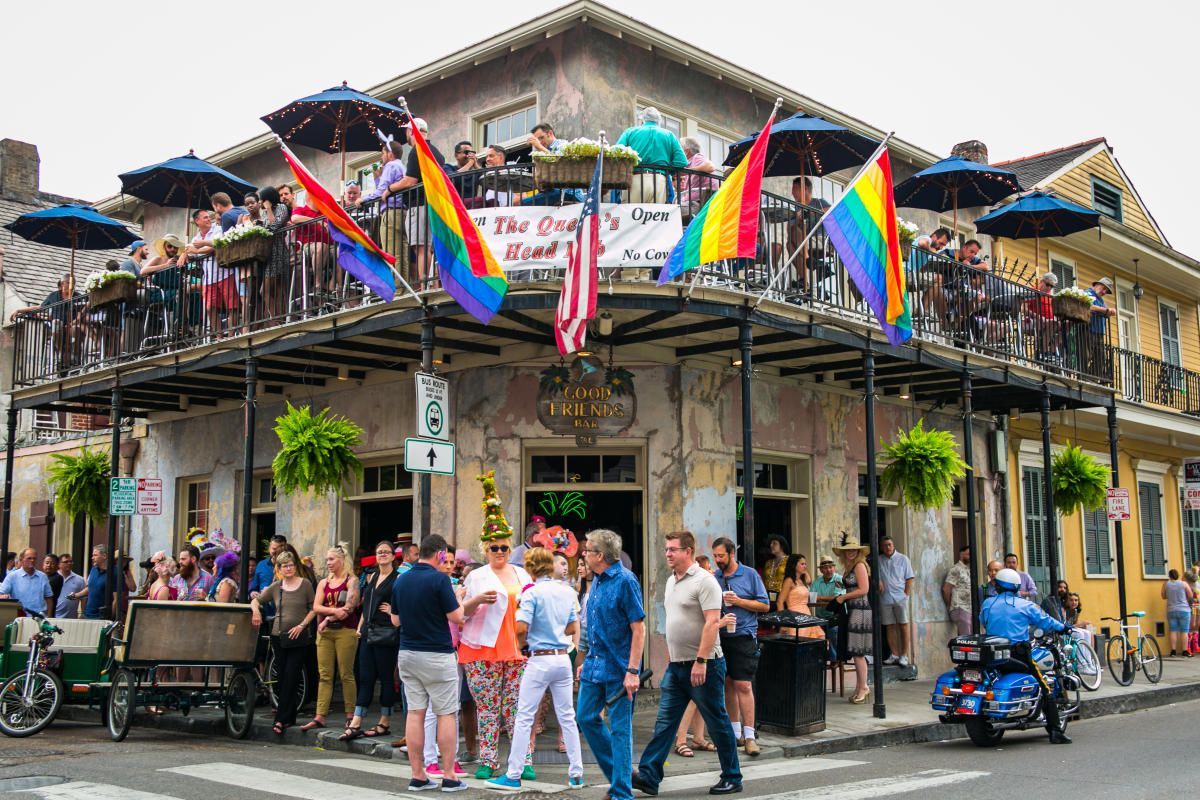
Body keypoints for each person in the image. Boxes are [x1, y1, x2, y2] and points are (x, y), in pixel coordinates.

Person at [632, 531, 742, 797]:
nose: (668, 554)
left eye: (673, 549)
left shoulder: (705, 582)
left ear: (688, 551)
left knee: (716, 720)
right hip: (678, 666)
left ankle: (732, 776)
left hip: (705, 665)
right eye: (667, 549)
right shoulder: (672, 581)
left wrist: (701, 661)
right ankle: (649, 775)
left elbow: (712, 622)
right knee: (665, 723)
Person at [486, 547, 584, 790]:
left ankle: (513, 774)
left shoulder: (531, 594)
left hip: (539, 658)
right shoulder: (566, 592)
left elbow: (520, 628)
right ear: (550, 566)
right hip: (562, 657)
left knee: (524, 717)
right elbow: (573, 627)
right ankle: (576, 773)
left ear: (530, 568)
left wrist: (523, 644)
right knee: (568, 717)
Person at [390, 534, 468, 793]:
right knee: (446, 713)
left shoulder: (402, 580)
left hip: (408, 653)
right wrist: (459, 596)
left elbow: (395, 621)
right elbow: (457, 617)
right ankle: (448, 775)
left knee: (415, 713)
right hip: (436, 654)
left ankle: (417, 774)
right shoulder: (440, 579)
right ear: (440, 554)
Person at [458, 529, 532, 780]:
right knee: (487, 707)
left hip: (517, 647)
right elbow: (460, 613)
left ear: (510, 550)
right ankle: (488, 760)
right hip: (481, 647)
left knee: (517, 707)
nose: (499, 552)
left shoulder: (522, 573)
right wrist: (477, 599)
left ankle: (523, 759)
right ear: (485, 551)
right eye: (494, 548)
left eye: (504, 548)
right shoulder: (476, 577)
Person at [577, 529, 645, 800]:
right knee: (585, 717)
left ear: (600, 556)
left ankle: (621, 792)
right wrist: (586, 660)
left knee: (620, 730)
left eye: (587, 550)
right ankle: (621, 774)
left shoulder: (625, 581)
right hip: (595, 665)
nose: (583, 554)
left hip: (619, 668)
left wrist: (632, 670)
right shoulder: (598, 581)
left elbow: (638, 629)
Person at [979, 567, 1072, 744]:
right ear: (1016, 587)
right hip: (1018, 654)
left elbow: (983, 621)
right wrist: (1063, 627)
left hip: (993, 654)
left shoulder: (987, 604)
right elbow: (1046, 621)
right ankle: (1055, 732)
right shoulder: (1025, 605)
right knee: (1046, 687)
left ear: (997, 586)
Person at [711, 537, 769, 758]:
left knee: (743, 685)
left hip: (744, 635)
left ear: (731, 554)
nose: (717, 560)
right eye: (715, 556)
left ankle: (750, 736)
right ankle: (735, 733)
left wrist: (739, 601)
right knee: (727, 683)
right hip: (721, 635)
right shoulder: (714, 578)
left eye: (721, 556)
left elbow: (764, 605)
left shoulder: (750, 574)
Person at [251, 551, 317, 735]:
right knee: (281, 678)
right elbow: (256, 601)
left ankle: (280, 719)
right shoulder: (276, 587)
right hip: (279, 636)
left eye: (291, 565)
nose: (288, 568)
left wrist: (302, 625)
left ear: (296, 566)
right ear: (279, 569)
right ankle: (288, 717)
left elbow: (313, 608)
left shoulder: (305, 585)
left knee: (292, 675)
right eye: (284, 566)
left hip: (300, 637)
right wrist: (256, 612)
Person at [344, 540, 401, 740]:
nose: (382, 555)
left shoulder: (398, 579)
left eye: (386, 552)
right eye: (379, 552)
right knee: (365, 676)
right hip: (368, 631)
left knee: (386, 677)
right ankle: (357, 720)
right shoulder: (371, 576)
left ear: (394, 556)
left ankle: (384, 721)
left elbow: (403, 604)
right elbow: (366, 604)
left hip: (386, 633)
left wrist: (393, 611)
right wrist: (360, 626)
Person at [303, 543, 360, 732]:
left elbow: (349, 609)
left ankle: (350, 714)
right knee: (325, 675)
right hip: (325, 634)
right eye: (327, 559)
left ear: (342, 560)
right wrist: (332, 612)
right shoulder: (323, 582)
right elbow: (316, 607)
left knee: (346, 674)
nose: (328, 562)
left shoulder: (352, 581)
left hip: (346, 631)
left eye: (331, 559)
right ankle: (320, 715)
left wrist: (326, 618)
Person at [394, 117, 447, 289]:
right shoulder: (436, 152)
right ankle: (432, 284)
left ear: (411, 131)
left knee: (421, 248)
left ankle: (425, 285)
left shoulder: (417, 149)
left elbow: (409, 181)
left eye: (406, 132)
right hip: (434, 203)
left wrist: (390, 189)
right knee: (429, 247)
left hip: (420, 204)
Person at [616, 106, 688, 204]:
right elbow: (681, 162)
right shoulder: (669, 135)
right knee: (655, 218)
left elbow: (617, 153)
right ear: (658, 121)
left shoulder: (630, 132)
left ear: (642, 120)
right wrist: (667, 170)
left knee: (630, 216)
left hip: (634, 180)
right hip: (659, 181)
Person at [363, 137, 410, 285]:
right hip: (401, 212)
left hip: (390, 213)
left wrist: (362, 200)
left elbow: (380, 192)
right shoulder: (401, 166)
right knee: (402, 252)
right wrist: (378, 178)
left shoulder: (390, 166)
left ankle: (397, 287)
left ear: (390, 154)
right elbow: (383, 189)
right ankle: (403, 285)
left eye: (383, 153)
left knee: (392, 252)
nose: (381, 157)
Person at [832, 534, 872, 703]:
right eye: (848, 550)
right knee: (856, 652)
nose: (851, 552)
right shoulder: (851, 567)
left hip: (860, 609)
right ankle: (860, 686)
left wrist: (843, 597)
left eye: (854, 549)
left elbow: (864, 589)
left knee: (858, 652)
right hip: (854, 609)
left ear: (858, 551)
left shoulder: (860, 565)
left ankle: (863, 687)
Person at [878, 536, 915, 667]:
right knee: (889, 626)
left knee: (903, 625)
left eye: (889, 544)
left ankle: (904, 655)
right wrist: (879, 581)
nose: (887, 547)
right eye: (884, 545)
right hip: (885, 597)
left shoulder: (903, 558)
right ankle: (894, 654)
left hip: (900, 597)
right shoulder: (879, 560)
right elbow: (875, 575)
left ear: (893, 545)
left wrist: (906, 594)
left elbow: (909, 578)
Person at [776, 553, 826, 641]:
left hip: (807, 614)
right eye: (802, 564)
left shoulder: (801, 581)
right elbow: (780, 601)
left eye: (805, 564)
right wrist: (783, 622)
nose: (805, 566)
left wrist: (805, 571)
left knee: (819, 638)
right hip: (794, 616)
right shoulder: (789, 580)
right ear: (793, 565)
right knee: (801, 642)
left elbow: (810, 580)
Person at [810, 558, 845, 660]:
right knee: (817, 639)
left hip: (835, 617)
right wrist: (829, 600)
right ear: (821, 570)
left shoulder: (839, 579)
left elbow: (838, 597)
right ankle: (823, 661)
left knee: (834, 637)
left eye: (830, 567)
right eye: (825, 568)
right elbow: (812, 598)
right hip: (820, 617)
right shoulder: (817, 581)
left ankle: (836, 661)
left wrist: (820, 598)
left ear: (834, 568)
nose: (828, 570)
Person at [0, 548, 53, 615]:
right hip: (19, 617)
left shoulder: (42, 577)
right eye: (29, 558)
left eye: (34, 558)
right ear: (21, 560)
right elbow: (1, 594)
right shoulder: (12, 576)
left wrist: (49, 616)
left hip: (39, 618)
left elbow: (49, 599)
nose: (32, 560)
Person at [678, 136, 719, 216]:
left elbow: (710, 167)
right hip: (693, 204)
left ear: (686, 151)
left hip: (698, 205)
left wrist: (690, 171)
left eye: (680, 150)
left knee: (670, 210)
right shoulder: (689, 163)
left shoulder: (697, 157)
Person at [942, 546, 974, 636]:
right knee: (967, 640)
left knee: (969, 638)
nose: (971, 556)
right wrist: (950, 605)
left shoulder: (968, 570)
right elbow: (946, 589)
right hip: (960, 608)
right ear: (961, 554)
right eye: (968, 554)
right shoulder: (956, 569)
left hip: (969, 609)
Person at [1163, 569, 1194, 657]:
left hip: (1171, 610)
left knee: (1173, 631)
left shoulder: (1166, 584)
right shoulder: (1183, 584)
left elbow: (1163, 596)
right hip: (1184, 610)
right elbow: (1190, 595)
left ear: (1169, 576)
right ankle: (1185, 651)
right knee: (1184, 631)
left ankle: (1173, 651)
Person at [79, 545, 112, 619]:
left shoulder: (113, 572)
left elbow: (116, 599)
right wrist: (76, 595)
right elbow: (89, 588)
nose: (92, 558)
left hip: (101, 616)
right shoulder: (93, 570)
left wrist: (110, 617)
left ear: (104, 556)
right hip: (88, 614)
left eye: (95, 555)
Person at [55, 554, 85, 618]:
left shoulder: (79, 580)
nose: (69, 563)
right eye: (66, 562)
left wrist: (83, 613)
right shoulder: (53, 578)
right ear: (59, 564)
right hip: (54, 617)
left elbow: (84, 598)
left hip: (71, 618)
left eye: (71, 561)